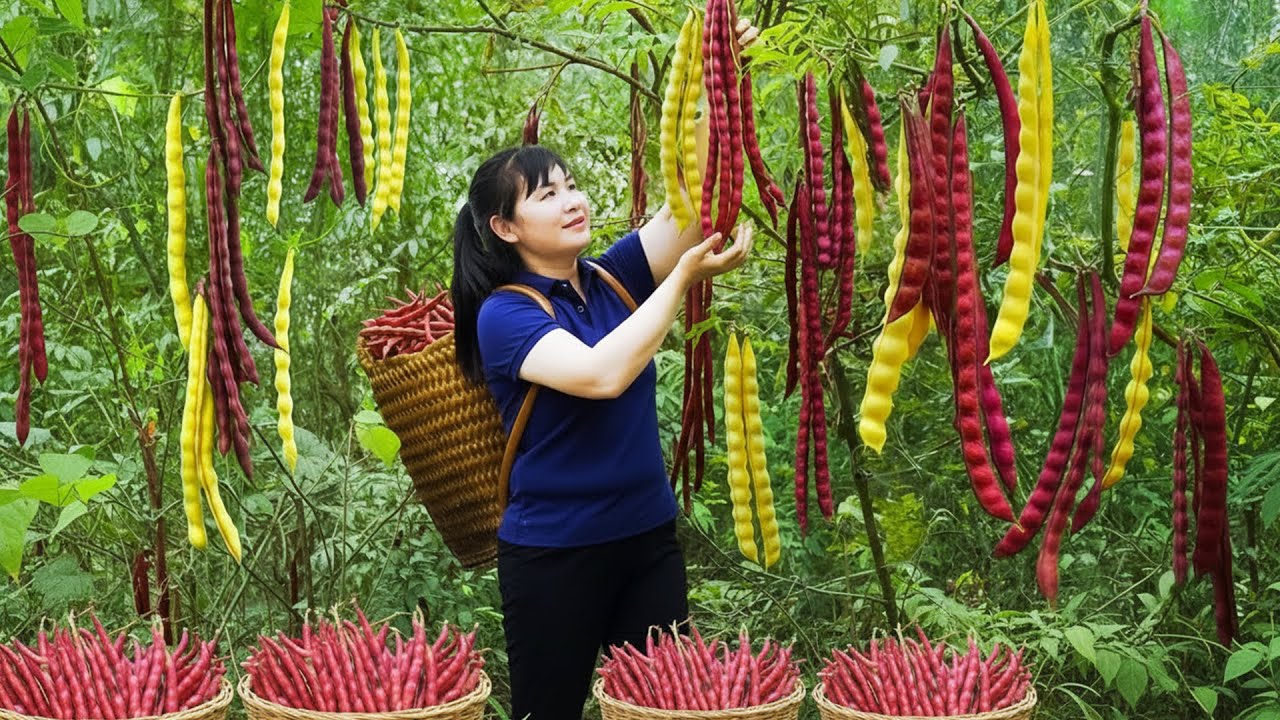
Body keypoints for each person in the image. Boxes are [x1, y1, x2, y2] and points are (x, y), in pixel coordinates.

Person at [449, 19, 758, 716]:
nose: (573, 200)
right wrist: (679, 280)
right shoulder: (505, 313)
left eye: (572, 184)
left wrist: (721, 78)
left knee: (663, 710)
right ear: (505, 227)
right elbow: (599, 374)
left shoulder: (612, 278)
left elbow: (694, 199)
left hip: (648, 541)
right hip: (554, 558)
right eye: (547, 194)